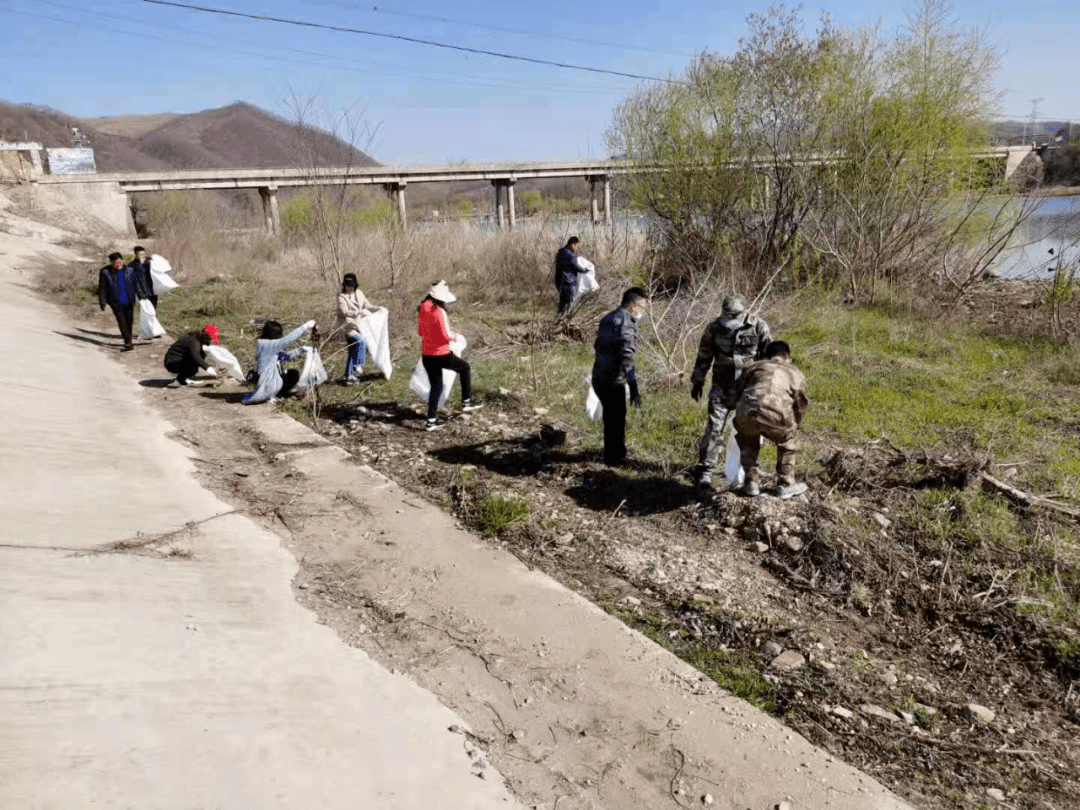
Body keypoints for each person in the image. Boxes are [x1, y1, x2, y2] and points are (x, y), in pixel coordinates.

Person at [690, 294, 771, 488]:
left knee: (749, 430)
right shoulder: (714, 328)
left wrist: (766, 387)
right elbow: (704, 356)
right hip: (722, 386)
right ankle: (706, 471)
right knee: (714, 427)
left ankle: (750, 474)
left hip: (748, 388)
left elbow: (768, 358)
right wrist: (697, 381)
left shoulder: (758, 326)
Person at [732, 341, 809, 499]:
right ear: (788, 357)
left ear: (766, 356)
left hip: (746, 412)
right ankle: (785, 483)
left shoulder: (753, 367)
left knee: (748, 438)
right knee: (788, 440)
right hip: (776, 412)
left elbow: (736, 392)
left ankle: (751, 482)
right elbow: (800, 405)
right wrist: (794, 424)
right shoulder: (795, 372)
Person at [591, 287, 648, 467]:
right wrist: (633, 386)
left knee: (611, 417)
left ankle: (615, 454)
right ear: (634, 306)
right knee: (616, 419)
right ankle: (614, 459)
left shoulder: (607, 318)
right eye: (643, 307)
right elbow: (627, 358)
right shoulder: (627, 323)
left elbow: (597, 345)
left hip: (598, 375)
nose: (643, 311)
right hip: (613, 379)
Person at [418, 280, 483, 431]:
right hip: (440, 353)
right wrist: (455, 337)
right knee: (465, 368)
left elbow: (421, 332)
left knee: (436, 385)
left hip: (426, 354)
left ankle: (431, 421)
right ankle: (467, 401)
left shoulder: (423, 307)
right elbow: (445, 335)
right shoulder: (439, 311)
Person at [243, 319, 316, 405]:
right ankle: (274, 394)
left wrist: (301, 349)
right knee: (291, 376)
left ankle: (279, 393)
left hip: (272, 383)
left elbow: (285, 356)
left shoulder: (270, 346)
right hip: (268, 385)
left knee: (293, 373)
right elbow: (287, 340)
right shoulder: (265, 345)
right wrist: (304, 327)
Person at [97, 251, 150, 352]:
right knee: (122, 322)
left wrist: (142, 296)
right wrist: (102, 302)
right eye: (115, 263)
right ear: (111, 263)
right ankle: (128, 343)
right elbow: (102, 288)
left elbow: (136, 285)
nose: (118, 265)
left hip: (129, 300)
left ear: (122, 261)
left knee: (129, 322)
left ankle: (128, 340)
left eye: (119, 262)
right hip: (115, 302)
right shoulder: (105, 272)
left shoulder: (130, 270)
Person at [335, 272, 376, 385]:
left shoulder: (359, 293)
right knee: (361, 342)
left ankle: (349, 376)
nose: (350, 288)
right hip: (347, 327)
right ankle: (357, 366)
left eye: (352, 286)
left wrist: (378, 309)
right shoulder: (341, 296)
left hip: (358, 326)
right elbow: (344, 312)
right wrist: (359, 312)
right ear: (344, 286)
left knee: (353, 351)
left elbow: (368, 305)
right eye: (347, 286)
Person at [554, 236, 585, 322]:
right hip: (568, 281)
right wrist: (585, 270)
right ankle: (565, 321)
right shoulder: (569, 255)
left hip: (560, 281)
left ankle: (558, 320)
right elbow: (575, 267)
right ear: (572, 244)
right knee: (570, 301)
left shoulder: (560, 252)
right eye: (577, 246)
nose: (577, 248)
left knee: (562, 302)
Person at [127, 246, 157, 317]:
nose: (143, 256)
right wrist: (140, 264)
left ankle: (152, 326)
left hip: (152, 291)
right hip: (141, 293)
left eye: (144, 254)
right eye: (141, 255)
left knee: (153, 311)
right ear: (136, 255)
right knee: (146, 312)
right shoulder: (131, 266)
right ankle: (147, 327)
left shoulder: (149, 263)